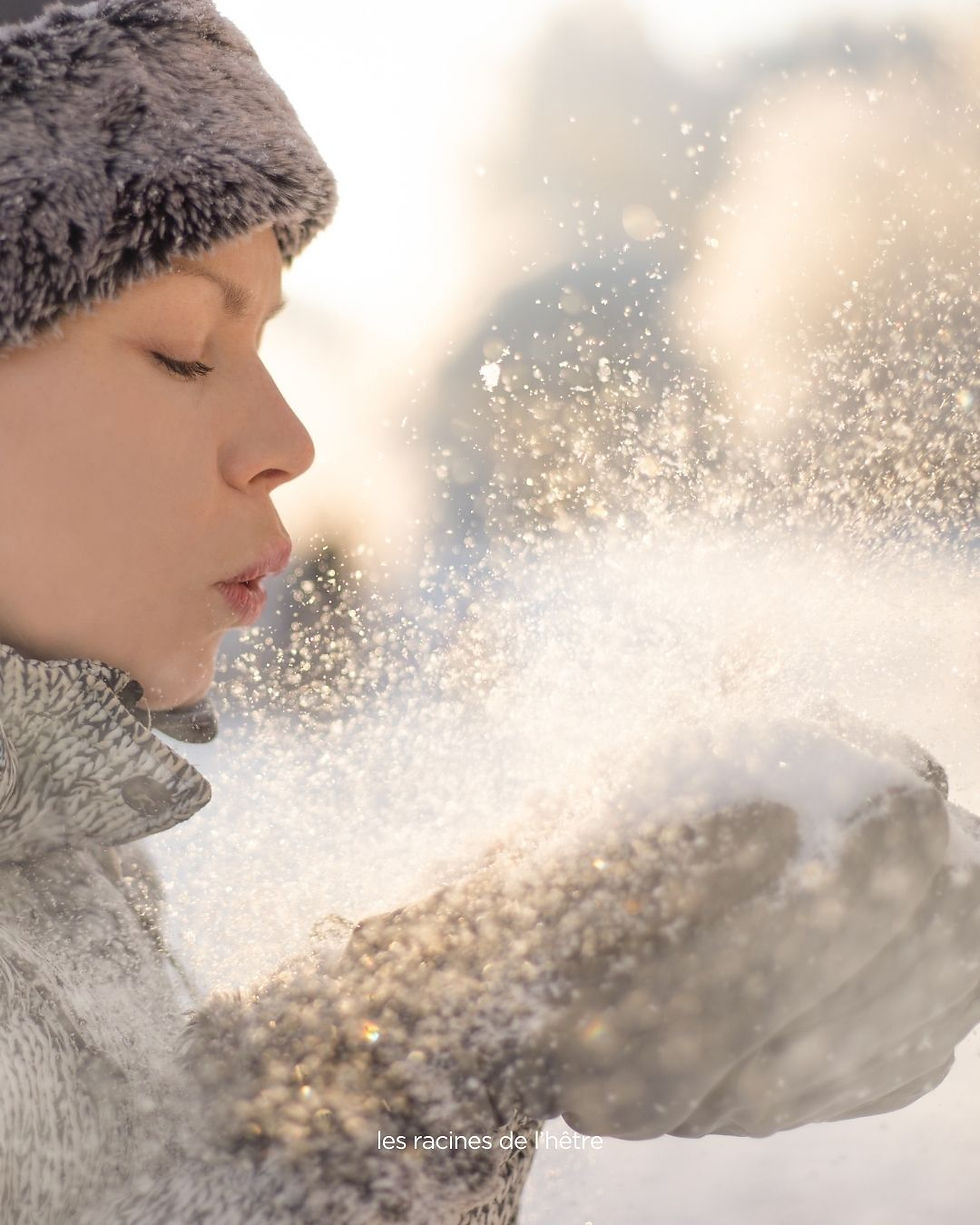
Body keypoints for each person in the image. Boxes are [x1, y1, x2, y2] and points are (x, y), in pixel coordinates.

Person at [3, 2, 980, 1223]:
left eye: (263, 348)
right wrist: (447, 1027)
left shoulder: (59, 845)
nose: (289, 440)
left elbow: (135, 1182)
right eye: (187, 348)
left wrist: (450, 979)